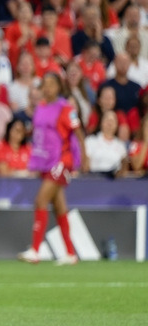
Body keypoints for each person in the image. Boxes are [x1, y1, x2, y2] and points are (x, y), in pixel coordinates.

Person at [19, 72, 85, 265]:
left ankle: (35, 250)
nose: (47, 88)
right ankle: (70, 254)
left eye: (51, 84)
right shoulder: (40, 107)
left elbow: (78, 133)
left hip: (62, 160)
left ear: (59, 87)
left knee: (40, 200)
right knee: (59, 207)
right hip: (46, 161)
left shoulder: (66, 108)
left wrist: (84, 157)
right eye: (44, 84)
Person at [84, 110, 128, 174]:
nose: (110, 123)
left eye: (112, 120)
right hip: (95, 178)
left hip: (114, 181)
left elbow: (124, 166)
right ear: (101, 122)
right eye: (107, 120)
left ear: (116, 124)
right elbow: (85, 164)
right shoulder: (90, 141)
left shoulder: (120, 145)